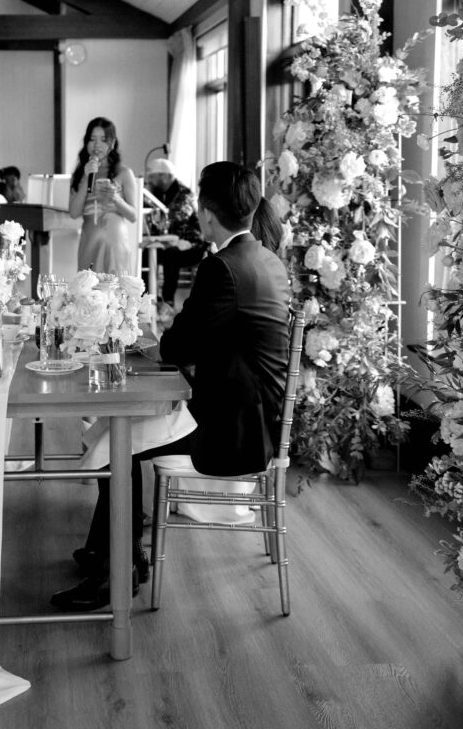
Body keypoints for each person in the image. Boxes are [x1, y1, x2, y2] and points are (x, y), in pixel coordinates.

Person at [51, 162, 291, 611]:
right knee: (120, 433)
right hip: (254, 415)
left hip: (230, 428)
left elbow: (177, 346)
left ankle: (114, 573)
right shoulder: (267, 260)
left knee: (117, 441)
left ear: (205, 214)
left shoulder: (222, 267)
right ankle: (118, 555)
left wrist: (149, 344)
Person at [69, 117, 137, 274]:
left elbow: (133, 216)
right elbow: (73, 213)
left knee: (116, 290)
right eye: (92, 139)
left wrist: (115, 198)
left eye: (103, 140)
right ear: (86, 142)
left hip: (115, 241)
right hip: (89, 239)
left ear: (112, 143)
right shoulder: (79, 175)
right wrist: (87, 177)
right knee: (88, 290)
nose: (97, 145)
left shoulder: (124, 173)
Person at [144, 158, 206, 321]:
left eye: (153, 177)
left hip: (193, 245)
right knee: (145, 254)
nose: (150, 181)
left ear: (164, 177)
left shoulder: (184, 194)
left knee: (171, 255)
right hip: (167, 243)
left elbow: (174, 217)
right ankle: (147, 299)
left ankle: (168, 302)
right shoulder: (157, 193)